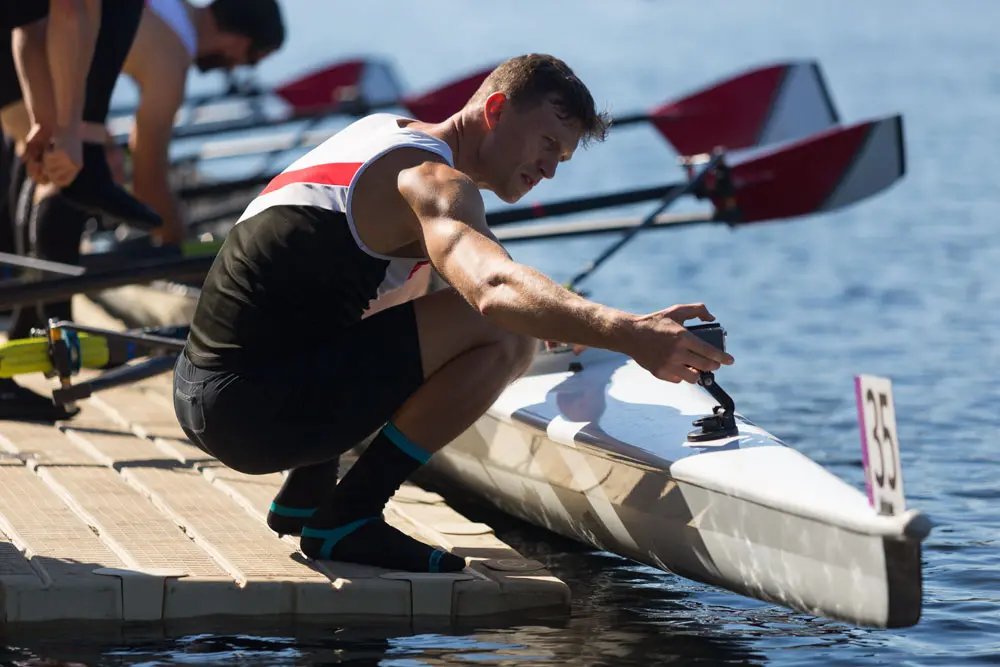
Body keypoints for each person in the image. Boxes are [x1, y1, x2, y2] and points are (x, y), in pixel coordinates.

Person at [173, 54, 735, 573]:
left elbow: (442, 291)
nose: (549, 170)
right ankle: (350, 517)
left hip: (204, 390)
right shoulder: (434, 183)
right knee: (504, 334)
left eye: (560, 157)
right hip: (247, 412)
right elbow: (492, 289)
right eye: (545, 142)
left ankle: (308, 489)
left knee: (415, 293)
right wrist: (629, 333)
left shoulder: (381, 132)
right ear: (493, 110)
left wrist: (565, 321)